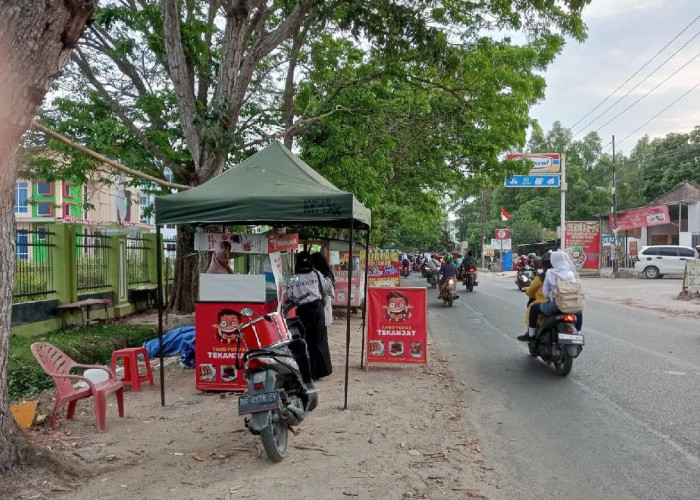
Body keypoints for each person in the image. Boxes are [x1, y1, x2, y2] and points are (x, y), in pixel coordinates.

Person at [287, 251, 334, 379]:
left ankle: (308, 372)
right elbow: (327, 288)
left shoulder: (293, 278)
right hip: (317, 310)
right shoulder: (316, 274)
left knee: (305, 340)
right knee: (319, 340)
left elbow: (289, 295)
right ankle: (321, 371)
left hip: (302, 311)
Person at [518, 251, 583, 341]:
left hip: (556, 304)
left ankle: (531, 335)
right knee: (579, 312)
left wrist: (552, 296)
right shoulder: (570, 273)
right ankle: (579, 333)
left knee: (533, 309)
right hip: (571, 303)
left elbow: (546, 293)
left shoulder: (550, 273)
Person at [522, 255, 547, 333]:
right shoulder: (568, 275)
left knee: (532, 308)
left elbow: (531, 291)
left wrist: (526, 290)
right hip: (567, 303)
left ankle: (531, 334)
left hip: (550, 302)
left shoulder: (544, 276)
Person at [311, 252, 336, 327]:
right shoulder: (315, 274)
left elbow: (330, 291)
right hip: (317, 311)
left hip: (323, 309)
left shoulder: (326, 274)